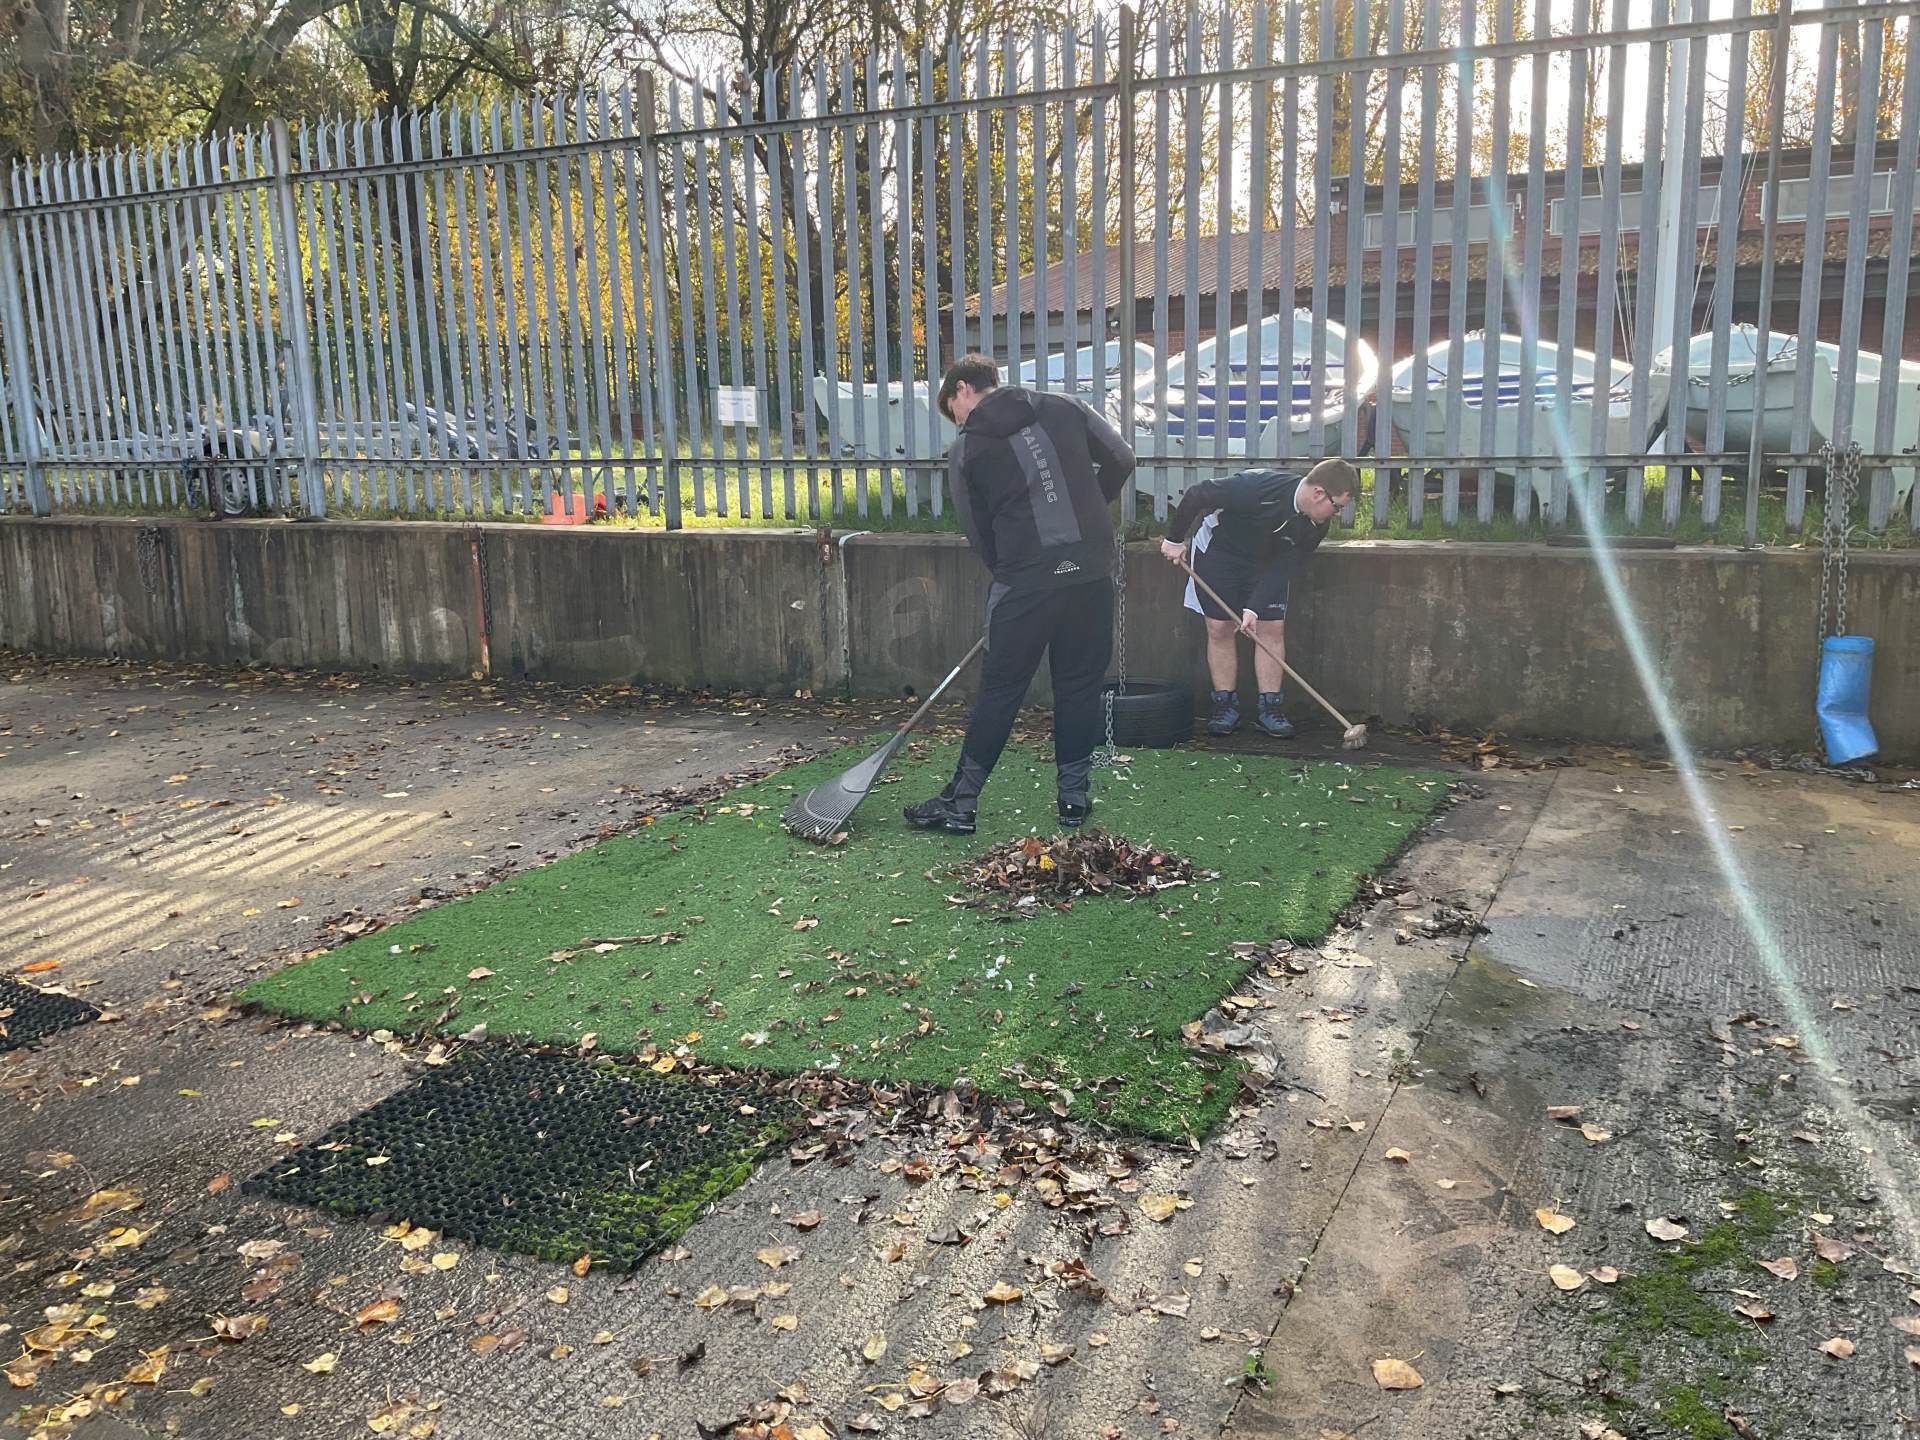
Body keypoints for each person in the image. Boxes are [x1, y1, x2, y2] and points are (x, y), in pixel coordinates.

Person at [904, 353, 1137, 835]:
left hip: (1024, 581)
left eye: (953, 411)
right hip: (1090, 572)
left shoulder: (967, 448)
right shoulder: (1068, 406)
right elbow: (1122, 458)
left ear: (963, 389)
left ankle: (962, 803)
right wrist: (1091, 509)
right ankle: (1073, 799)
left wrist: (1013, 573)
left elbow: (978, 530)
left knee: (1002, 689)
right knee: (1079, 685)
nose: (958, 422)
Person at [1157, 458, 1358, 738]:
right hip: (1220, 553)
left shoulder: (1316, 525)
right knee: (1220, 627)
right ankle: (1224, 704)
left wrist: (1254, 607)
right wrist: (1174, 539)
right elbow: (1197, 494)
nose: (1337, 513)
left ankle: (1270, 708)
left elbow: (1285, 567)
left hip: (1266, 563)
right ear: (1318, 493)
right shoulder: (1255, 487)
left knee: (1271, 627)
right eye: (1337, 506)